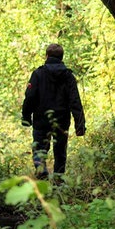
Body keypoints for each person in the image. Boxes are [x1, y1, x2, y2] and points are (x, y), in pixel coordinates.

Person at [21, 43, 86, 179]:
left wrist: (26, 117)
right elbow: (75, 101)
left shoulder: (38, 74)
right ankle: (58, 182)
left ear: (47, 56)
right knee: (60, 151)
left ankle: (42, 174)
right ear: (62, 57)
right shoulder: (68, 76)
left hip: (41, 119)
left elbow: (30, 97)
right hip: (62, 120)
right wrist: (80, 125)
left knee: (39, 149)